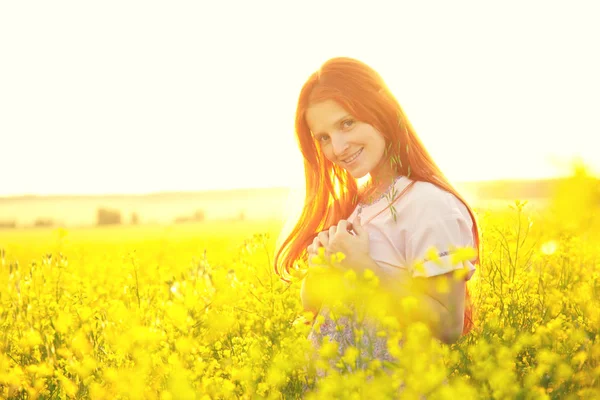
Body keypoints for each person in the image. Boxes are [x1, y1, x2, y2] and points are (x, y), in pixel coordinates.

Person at [274, 57, 480, 377]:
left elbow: (448, 325)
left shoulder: (428, 204)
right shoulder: (357, 203)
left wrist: (362, 269)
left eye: (347, 123)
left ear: (381, 112)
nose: (338, 148)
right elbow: (313, 302)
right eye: (324, 138)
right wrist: (322, 267)